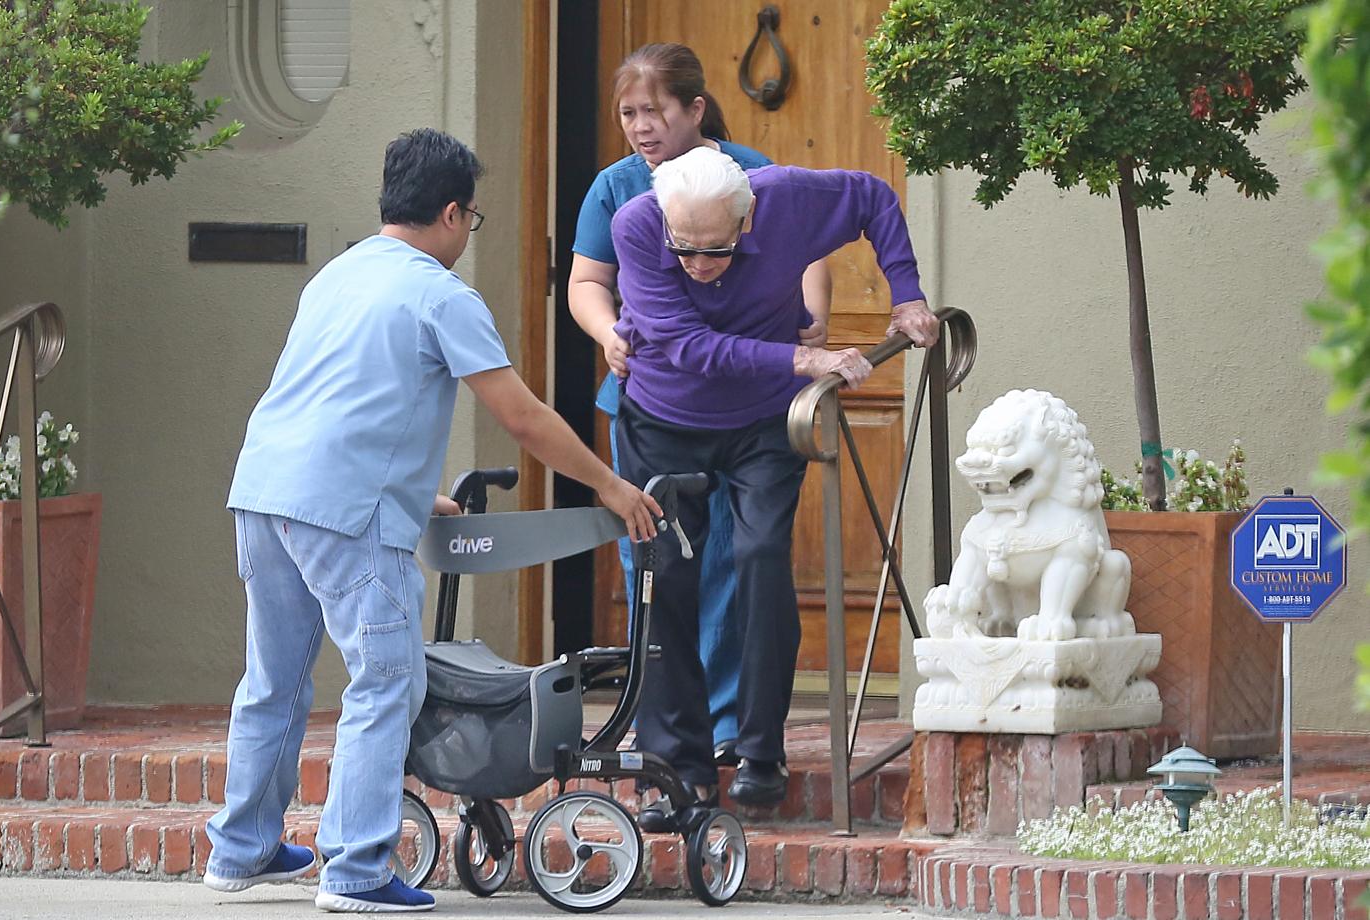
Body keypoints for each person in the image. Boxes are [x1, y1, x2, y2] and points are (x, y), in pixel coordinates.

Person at [204, 129, 660, 913]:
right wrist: (611, 486)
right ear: (452, 213)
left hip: (266, 492)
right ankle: (353, 873)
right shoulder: (440, 295)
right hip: (346, 515)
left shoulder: (336, 276)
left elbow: (337, 401)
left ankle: (241, 849)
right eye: (472, 220)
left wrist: (417, 498)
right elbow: (521, 418)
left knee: (273, 680)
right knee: (386, 679)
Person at [610, 146, 939, 809]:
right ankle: (678, 769)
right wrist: (804, 357)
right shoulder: (639, 225)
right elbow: (686, 346)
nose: (700, 267)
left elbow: (875, 196)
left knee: (760, 557)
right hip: (664, 417)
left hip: (764, 423)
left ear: (748, 217)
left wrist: (906, 294)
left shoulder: (786, 198)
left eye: (717, 250)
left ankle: (761, 749)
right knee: (665, 577)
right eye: (686, 250)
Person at [567, 42, 832, 780]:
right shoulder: (615, 188)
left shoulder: (751, 171)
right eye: (628, 113)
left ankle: (733, 731)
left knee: (739, 563)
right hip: (653, 405)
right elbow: (588, 280)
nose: (639, 127)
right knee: (660, 569)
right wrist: (606, 332)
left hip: (750, 409)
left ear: (695, 108)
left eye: (653, 111)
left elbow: (808, 253)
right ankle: (669, 747)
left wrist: (811, 317)